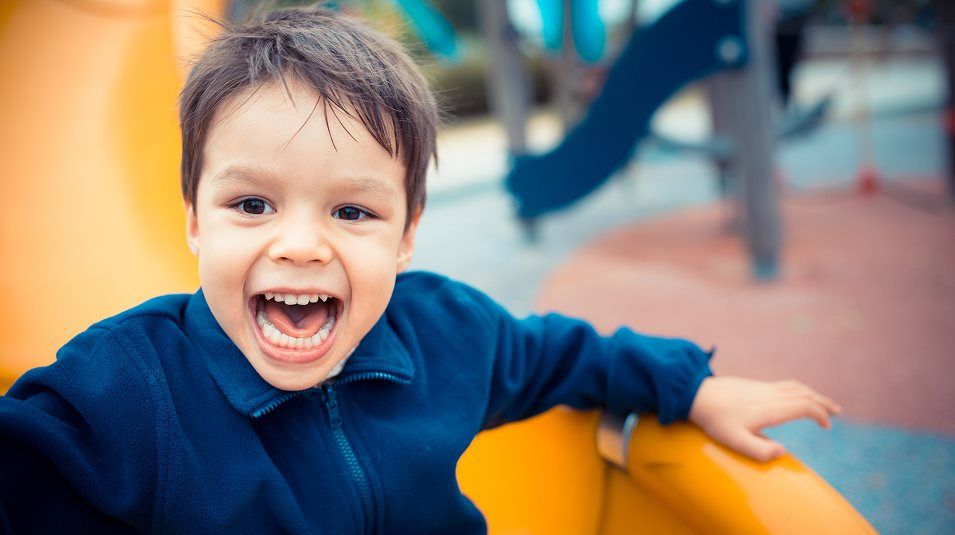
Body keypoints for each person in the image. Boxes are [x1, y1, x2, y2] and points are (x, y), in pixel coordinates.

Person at [0, 4, 840, 532]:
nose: (300, 245)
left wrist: (689, 386)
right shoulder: (127, 389)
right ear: (193, 219)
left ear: (405, 237)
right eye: (252, 205)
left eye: (352, 212)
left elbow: (561, 354)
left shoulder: (445, 332)